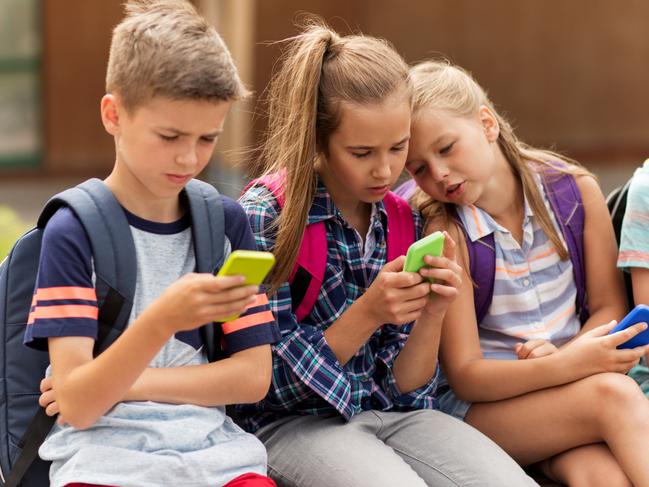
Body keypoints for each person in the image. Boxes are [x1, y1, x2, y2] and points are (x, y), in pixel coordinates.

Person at [237, 19, 537, 487]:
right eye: (361, 153)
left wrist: (433, 314)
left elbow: (406, 386)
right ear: (318, 140)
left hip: (392, 415)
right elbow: (262, 385)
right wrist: (369, 312)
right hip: (294, 425)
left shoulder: (401, 219)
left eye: (398, 148)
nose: (385, 169)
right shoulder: (266, 218)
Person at [28, 1, 278, 486]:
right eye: (169, 135)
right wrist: (164, 318)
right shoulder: (74, 231)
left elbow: (252, 378)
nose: (189, 157)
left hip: (218, 459)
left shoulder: (225, 224)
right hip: (102, 462)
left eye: (208, 138)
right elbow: (78, 407)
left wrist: (127, 385)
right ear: (113, 114)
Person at [404, 59, 649, 487]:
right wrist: (567, 366)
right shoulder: (448, 233)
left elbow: (608, 305)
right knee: (614, 396)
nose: (438, 173)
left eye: (446, 148)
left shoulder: (574, 191)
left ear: (486, 123)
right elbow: (466, 376)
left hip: (569, 394)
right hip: (485, 415)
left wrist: (569, 355)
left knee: (602, 475)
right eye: (419, 168)